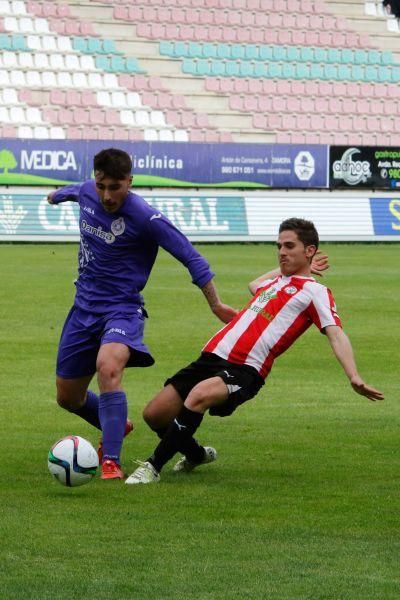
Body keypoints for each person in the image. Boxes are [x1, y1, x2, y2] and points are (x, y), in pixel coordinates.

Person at [125, 217, 384, 485]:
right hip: (211, 356)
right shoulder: (275, 284)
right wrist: (285, 269)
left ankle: (152, 467)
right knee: (154, 415)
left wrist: (353, 375)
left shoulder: (315, 292)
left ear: (310, 251)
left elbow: (335, 333)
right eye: (279, 246)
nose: (282, 251)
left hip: (246, 368)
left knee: (198, 395)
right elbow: (254, 284)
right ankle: (197, 454)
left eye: (289, 246)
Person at [47, 148, 238, 480]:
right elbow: (71, 192)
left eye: (116, 187)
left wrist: (216, 304)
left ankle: (110, 460)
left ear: (130, 182)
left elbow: (192, 258)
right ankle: (116, 423)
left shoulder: (145, 217)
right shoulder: (87, 191)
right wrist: (55, 196)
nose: (107, 195)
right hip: (82, 310)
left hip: (122, 310)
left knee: (108, 366)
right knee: (68, 397)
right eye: (102, 185)